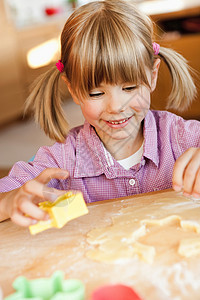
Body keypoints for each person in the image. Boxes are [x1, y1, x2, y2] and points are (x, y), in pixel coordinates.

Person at [0, 0, 199, 227]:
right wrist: (8, 203)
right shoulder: (60, 161)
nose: (116, 107)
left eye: (130, 88)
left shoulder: (182, 137)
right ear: (73, 90)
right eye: (96, 93)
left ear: (152, 76)